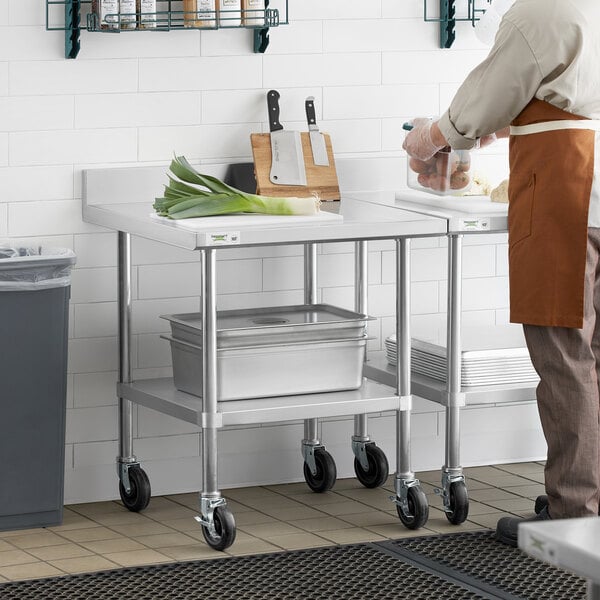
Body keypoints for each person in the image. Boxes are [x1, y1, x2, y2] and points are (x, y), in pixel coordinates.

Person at [403, 0, 600, 547]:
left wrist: (435, 134)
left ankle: (575, 516)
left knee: (566, 354)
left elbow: (488, 96)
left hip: (570, 183)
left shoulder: (540, 10)